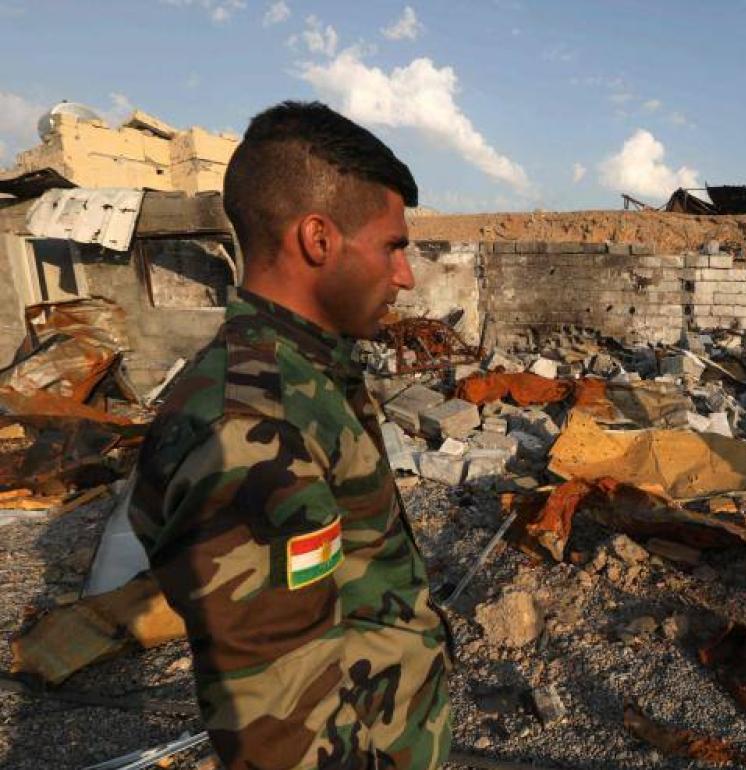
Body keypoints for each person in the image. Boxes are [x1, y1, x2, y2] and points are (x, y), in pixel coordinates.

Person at [128, 101, 451, 770]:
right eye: (393, 247)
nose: (405, 276)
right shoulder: (248, 425)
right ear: (318, 239)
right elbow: (276, 726)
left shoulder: (302, 373)